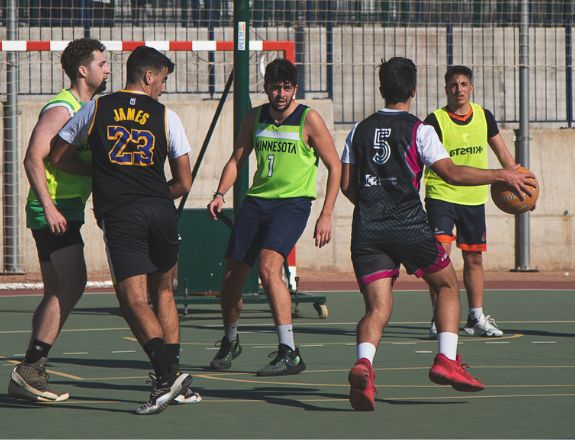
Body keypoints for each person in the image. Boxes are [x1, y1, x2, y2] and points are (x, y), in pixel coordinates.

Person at [340, 57, 535, 411]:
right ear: (414, 91)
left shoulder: (357, 131)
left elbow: (347, 186)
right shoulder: (420, 130)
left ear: (381, 89)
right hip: (409, 226)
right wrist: (500, 175)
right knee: (446, 285)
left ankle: (364, 364)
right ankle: (447, 358)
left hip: (367, 229)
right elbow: (451, 173)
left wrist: (373, 204)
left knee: (377, 308)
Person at [50, 45, 196, 415]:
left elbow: (58, 154)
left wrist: (100, 172)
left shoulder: (96, 108)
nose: (163, 87)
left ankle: (165, 376)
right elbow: (184, 181)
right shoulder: (166, 116)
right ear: (148, 76)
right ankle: (175, 376)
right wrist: (153, 194)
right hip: (162, 212)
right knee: (163, 291)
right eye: (162, 79)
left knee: (132, 299)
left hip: (123, 215)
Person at [206, 58, 341, 375]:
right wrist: (219, 193)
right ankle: (231, 341)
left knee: (269, 267)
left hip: (292, 204)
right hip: (256, 203)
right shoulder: (255, 117)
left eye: (286, 88)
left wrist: (327, 214)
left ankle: (289, 351)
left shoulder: (309, 119)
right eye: (275, 87)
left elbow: (335, 166)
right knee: (231, 282)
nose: (280, 93)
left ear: (295, 89)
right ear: (265, 88)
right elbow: (237, 158)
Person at [7, 38, 110, 403]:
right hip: (54, 209)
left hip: (68, 206)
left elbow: (65, 161)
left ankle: (29, 369)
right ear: (83, 70)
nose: (107, 68)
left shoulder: (86, 107)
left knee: (57, 289)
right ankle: (31, 368)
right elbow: (33, 158)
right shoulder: (61, 108)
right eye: (101, 62)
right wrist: (49, 207)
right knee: (74, 282)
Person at [423, 65, 535, 339]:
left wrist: (525, 187)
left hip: (473, 198)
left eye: (463, 84)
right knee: (441, 259)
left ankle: (475, 317)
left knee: (473, 258)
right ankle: (440, 317)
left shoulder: (484, 117)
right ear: (446, 88)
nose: (458, 89)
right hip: (441, 195)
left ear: (471, 87)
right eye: (453, 84)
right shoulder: (435, 120)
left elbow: (506, 159)